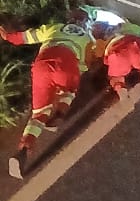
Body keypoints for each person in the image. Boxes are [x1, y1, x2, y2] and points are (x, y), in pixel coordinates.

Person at [0, 10, 96, 179]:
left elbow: (25, 37)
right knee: (70, 89)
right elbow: (85, 66)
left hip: (42, 66)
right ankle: (60, 112)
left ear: (69, 19)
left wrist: (8, 37)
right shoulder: (88, 39)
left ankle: (24, 147)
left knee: (39, 113)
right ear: (86, 24)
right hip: (67, 66)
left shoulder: (55, 28)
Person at [96, 21, 140, 97]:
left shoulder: (99, 43)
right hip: (135, 43)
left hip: (118, 53)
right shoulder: (120, 28)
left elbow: (101, 58)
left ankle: (120, 90)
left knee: (116, 78)